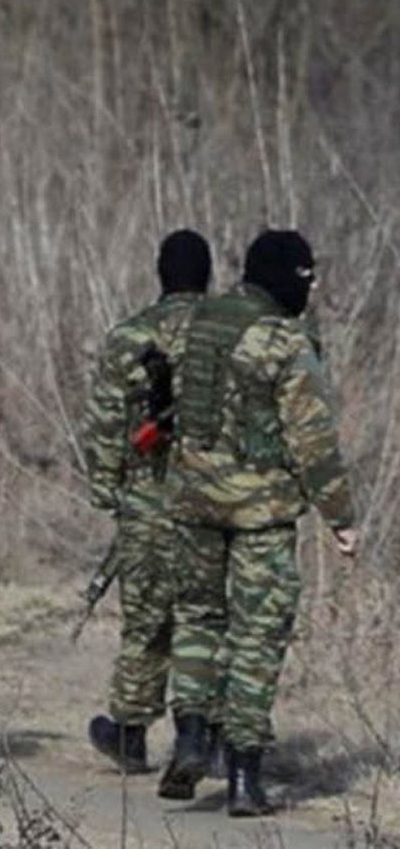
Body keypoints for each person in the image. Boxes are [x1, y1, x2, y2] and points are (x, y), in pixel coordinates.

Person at [157, 229, 358, 816]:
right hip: (261, 511)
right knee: (257, 634)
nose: (313, 286)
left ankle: (192, 732)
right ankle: (244, 774)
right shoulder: (284, 340)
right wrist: (340, 517)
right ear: (286, 279)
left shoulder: (194, 323)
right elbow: (313, 441)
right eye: (308, 277)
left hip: (192, 501)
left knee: (197, 616)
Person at [80, 230, 211, 774]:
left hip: (148, 495)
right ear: (207, 276)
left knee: (146, 619)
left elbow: (106, 422)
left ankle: (130, 733)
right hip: (215, 499)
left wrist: (109, 489)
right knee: (207, 617)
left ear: (160, 275)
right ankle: (201, 732)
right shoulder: (225, 333)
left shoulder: (128, 336)